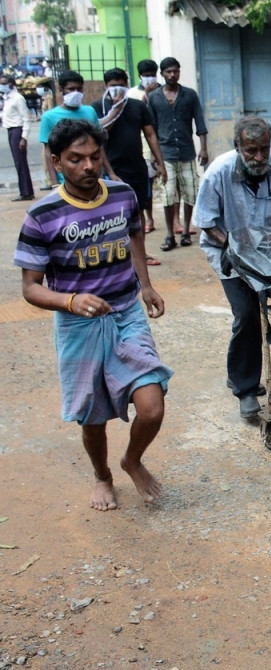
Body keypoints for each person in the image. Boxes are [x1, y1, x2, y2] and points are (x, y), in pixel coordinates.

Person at [14, 119, 172, 511]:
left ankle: (131, 460)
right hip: (77, 324)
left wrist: (145, 284)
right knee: (92, 414)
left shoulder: (122, 194)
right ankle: (103, 475)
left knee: (152, 406)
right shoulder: (42, 214)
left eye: (94, 157)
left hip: (125, 312)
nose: (88, 166)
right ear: (56, 161)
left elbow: (135, 233)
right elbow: (30, 286)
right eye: (75, 159)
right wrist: (70, 301)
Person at [194, 116, 271, 420]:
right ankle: (245, 388)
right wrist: (235, 247)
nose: (259, 157)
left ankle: (238, 371)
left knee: (262, 310)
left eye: (264, 149)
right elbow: (204, 222)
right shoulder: (218, 173)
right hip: (228, 251)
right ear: (237, 146)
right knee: (246, 313)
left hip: (269, 250)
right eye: (252, 150)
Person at [93, 67, 168, 267]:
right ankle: (117, 256)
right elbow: (100, 135)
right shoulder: (97, 107)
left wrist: (159, 162)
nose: (117, 89)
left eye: (121, 84)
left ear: (127, 84)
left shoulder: (137, 106)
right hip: (111, 171)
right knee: (111, 215)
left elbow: (150, 134)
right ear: (105, 86)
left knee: (138, 212)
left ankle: (140, 253)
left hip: (137, 167)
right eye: (113, 85)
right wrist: (115, 110)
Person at [147, 57, 209, 252]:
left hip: (187, 152)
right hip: (165, 155)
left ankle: (185, 231)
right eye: (168, 72)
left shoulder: (189, 95)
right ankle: (169, 234)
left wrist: (204, 148)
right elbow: (151, 131)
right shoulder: (154, 98)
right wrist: (155, 159)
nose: (172, 75)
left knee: (190, 192)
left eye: (176, 71)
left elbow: (200, 123)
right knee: (168, 194)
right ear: (162, 74)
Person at [38, 70, 101, 189]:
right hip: (64, 179)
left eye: (79, 89)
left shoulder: (89, 111)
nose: (75, 93)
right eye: (71, 89)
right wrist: (54, 182)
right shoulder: (49, 117)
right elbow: (48, 151)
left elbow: (99, 145)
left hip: (90, 176)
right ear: (61, 90)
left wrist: (108, 172)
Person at [127, 59, 163, 235]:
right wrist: (146, 96)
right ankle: (148, 218)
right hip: (141, 145)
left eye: (152, 75)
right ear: (140, 76)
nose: (150, 78)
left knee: (162, 184)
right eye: (146, 75)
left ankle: (167, 219)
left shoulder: (163, 91)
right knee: (146, 184)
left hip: (160, 142)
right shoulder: (132, 93)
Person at [1, 73, 35, 201]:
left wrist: (24, 137)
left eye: (4, 84)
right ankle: (25, 191)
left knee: (21, 162)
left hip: (17, 131)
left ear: (11, 84)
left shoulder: (17, 98)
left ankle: (26, 192)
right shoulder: (7, 98)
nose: (2, 86)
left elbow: (26, 119)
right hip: (10, 130)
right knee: (18, 162)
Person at [36, 84, 55, 190]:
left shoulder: (50, 98)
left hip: (49, 132)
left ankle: (51, 181)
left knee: (47, 156)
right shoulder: (45, 98)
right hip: (45, 131)